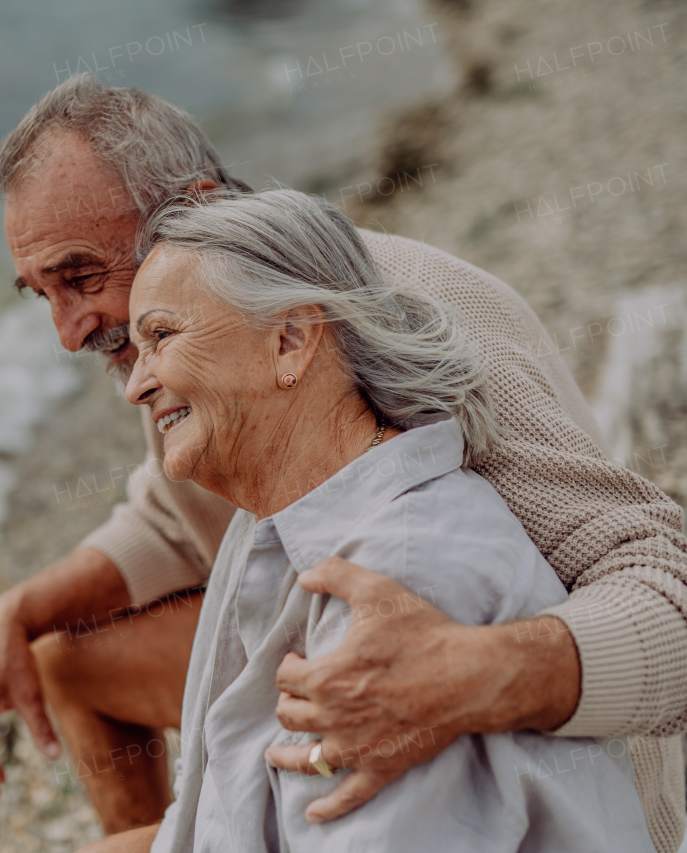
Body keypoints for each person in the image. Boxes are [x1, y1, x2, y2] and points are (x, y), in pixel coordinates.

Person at [0, 75, 687, 853]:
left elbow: (669, 587)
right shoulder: (190, 343)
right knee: (64, 658)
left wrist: (467, 673)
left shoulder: (416, 313)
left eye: (81, 276)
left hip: (545, 751)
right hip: (334, 648)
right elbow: (170, 514)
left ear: (194, 210)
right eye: (42, 294)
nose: (68, 333)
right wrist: (15, 610)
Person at [101, 187, 656, 853]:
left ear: (291, 340)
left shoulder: (399, 572)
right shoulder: (280, 524)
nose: (137, 385)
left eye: (161, 335)